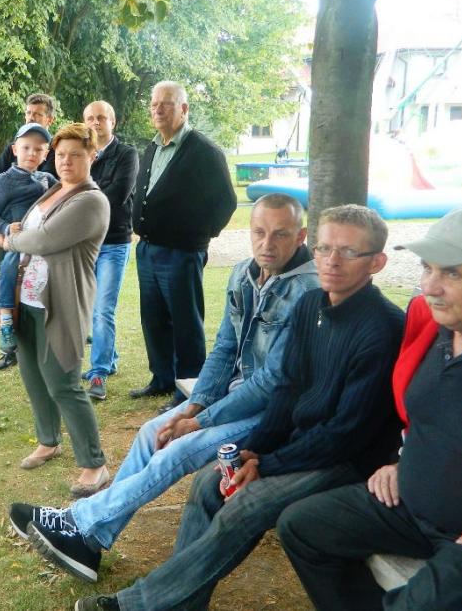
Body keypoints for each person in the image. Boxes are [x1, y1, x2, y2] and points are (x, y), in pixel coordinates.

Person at [69, 204, 406, 611]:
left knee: (245, 504)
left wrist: (267, 464)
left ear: (377, 262)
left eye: (349, 252)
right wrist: (255, 449)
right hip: (304, 444)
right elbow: (287, 391)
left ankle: (140, 604)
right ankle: (182, 602)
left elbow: (345, 434)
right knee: (209, 483)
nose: (332, 260)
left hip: (347, 462)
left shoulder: (382, 327)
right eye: (325, 248)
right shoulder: (311, 305)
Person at [10, 193, 319, 582]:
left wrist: (200, 421)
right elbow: (224, 349)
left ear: (301, 236)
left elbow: (272, 382)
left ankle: (80, 521)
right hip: (229, 399)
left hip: (272, 415)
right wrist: (193, 407)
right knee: (150, 433)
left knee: (178, 449)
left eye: (281, 234)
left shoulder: (308, 291)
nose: (267, 243)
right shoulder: (244, 273)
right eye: (259, 232)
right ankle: (90, 539)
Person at [278, 207, 462, 611]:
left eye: (452, 273)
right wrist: (402, 463)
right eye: (427, 268)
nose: (430, 286)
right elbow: (431, 421)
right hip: (408, 507)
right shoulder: (438, 330)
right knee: (302, 526)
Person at [5, 122, 110, 497]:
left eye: (76, 155)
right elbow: (28, 232)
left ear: (92, 156)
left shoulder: (91, 201)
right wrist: (20, 236)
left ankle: (94, 464)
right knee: (34, 377)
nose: (66, 161)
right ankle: (48, 441)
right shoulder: (52, 191)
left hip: (61, 304)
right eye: (61, 154)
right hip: (28, 300)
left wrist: (13, 239)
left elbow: (44, 240)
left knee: (64, 384)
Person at [130, 81, 236, 410]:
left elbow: (226, 202)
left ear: (184, 109)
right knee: (154, 319)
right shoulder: (153, 147)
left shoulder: (204, 151)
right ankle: (162, 378)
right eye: (154, 104)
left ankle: (188, 389)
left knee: (185, 323)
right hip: (148, 249)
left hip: (181, 252)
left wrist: (198, 237)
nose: (158, 109)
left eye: (166, 103)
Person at [0, 92, 59, 371]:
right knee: (8, 268)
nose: (32, 153)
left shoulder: (48, 178)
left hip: (45, 247)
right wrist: (5, 228)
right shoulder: (3, 180)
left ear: (46, 154)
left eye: (38, 150)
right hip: (17, 244)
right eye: (26, 148)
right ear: (15, 149)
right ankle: (6, 319)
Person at [81, 100, 139, 400]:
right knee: (93, 307)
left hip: (114, 242)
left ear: (112, 122)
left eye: (101, 117)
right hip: (86, 243)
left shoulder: (127, 154)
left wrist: (82, 200)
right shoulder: (82, 154)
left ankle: (99, 373)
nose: (95, 122)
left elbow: (117, 194)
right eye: (90, 118)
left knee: (104, 308)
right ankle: (110, 359)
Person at [0, 93, 58, 181]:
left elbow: (46, 184)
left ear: (50, 120)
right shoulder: (12, 148)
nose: (31, 118)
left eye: (37, 114)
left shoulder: (56, 149)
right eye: (28, 113)